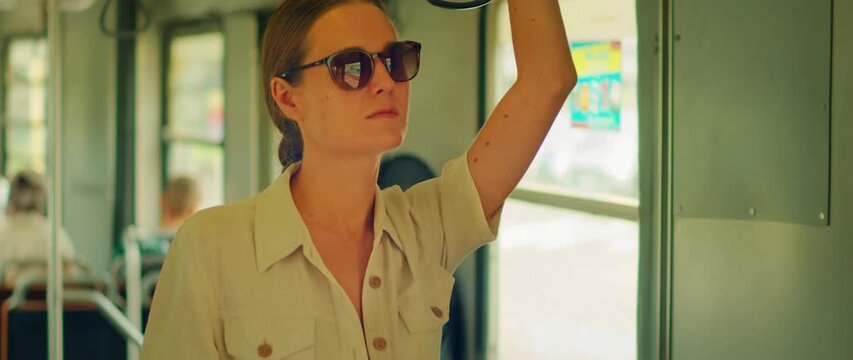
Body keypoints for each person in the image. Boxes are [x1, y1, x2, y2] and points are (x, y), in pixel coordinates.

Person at [141, 0, 576, 358]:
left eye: (395, 59)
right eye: (352, 67)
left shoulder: (427, 228)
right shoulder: (211, 248)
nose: (386, 81)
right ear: (288, 97)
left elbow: (547, 81)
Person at [0, 171, 77, 286]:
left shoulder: (3, 232)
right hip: (49, 301)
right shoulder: (57, 235)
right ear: (42, 201)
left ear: (11, 201)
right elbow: (71, 274)